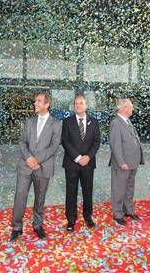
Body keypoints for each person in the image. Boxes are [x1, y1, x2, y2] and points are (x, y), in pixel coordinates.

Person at [10, 92, 62, 242]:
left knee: (40, 198)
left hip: (43, 166)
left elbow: (54, 146)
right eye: (35, 101)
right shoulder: (29, 121)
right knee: (20, 196)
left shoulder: (56, 124)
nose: (35, 103)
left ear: (47, 104)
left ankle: (38, 225)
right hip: (25, 166)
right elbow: (21, 142)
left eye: (39, 101)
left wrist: (37, 159)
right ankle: (16, 228)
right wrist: (29, 158)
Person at [61, 94, 101, 232]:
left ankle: (88, 217)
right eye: (76, 103)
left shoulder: (94, 122)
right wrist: (78, 157)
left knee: (88, 191)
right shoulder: (67, 122)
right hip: (72, 163)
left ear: (86, 105)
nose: (78, 105)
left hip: (88, 163)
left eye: (81, 103)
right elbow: (65, 141)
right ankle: (71, 220)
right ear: (73, 106)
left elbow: (97, 142)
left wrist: (88, 157)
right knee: (71, 192)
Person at [109, 98, 143, 226]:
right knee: (119, 189)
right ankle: (117, 214)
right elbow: (115, 145)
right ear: (124, 108)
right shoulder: (116, 123)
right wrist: (121, 161)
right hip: (123, 164)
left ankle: (128, 210)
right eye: (131, 106)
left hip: (132, 162)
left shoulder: (127, 121)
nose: (132, 109)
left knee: (129, 188)